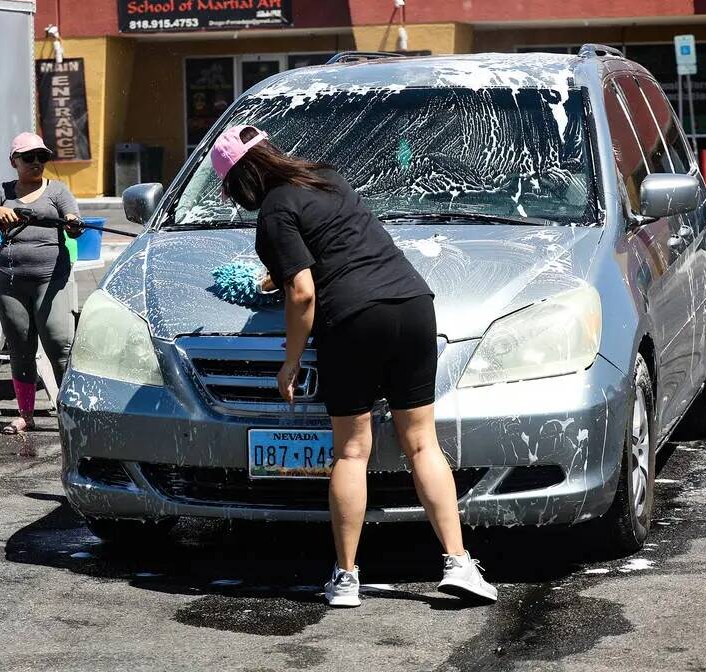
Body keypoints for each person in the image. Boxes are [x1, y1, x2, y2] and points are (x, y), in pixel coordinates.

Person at [211, 124, 497, 608]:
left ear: (240, 182)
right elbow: (334, 248)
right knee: (422, 442)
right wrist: (271, 278)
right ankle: (459, 563)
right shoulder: (325, 179)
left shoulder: (273, 212)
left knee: (351, 453)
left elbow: (302, 291)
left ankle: (346, 578)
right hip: (411, 304)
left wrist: (291, 362)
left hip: (353, 320)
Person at [0, 132, 84, 435]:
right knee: (20, 347)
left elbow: (74, 227)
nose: (36, 163)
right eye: (29, 158)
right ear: (14, 161)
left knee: (59, 345)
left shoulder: (57, 191)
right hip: (10, 281)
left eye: (42, 157)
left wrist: (73, 224)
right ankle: (26, 415)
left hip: (51, 280)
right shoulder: (3, 191)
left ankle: (70, 411)